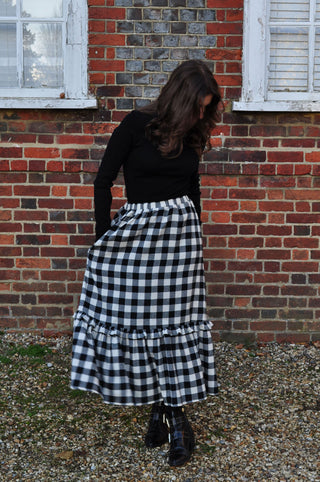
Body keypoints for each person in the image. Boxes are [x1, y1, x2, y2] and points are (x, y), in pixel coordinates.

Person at [71, 59, 222, 467]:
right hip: (137, 237)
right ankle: (157, 406)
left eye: (206, 110)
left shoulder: (192, 131)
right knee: (138, 323)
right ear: (180, 97)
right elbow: (103, 181)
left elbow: (192, 186)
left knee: (173, 330)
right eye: (198, 107)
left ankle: (176, 420)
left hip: (180, 246)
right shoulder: (135, 125)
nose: (201, 116)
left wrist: (197, 233)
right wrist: (104, 237)